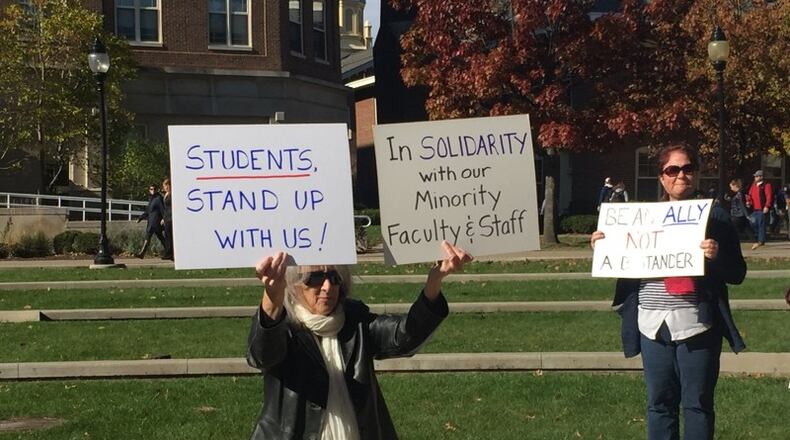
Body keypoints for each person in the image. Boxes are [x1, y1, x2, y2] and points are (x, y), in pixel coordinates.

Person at [590, 143, 746, 440]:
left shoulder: (717, 217)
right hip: (652, 326)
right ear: (661, 177)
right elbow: (625, 262)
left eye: (688, 168)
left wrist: (716, 256)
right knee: (659, 404)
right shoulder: (641, 219)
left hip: (697, 325)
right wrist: (604, 245)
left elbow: (737, 273)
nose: (681, 175)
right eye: (672, 170)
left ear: (697, 174)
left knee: (697, 405)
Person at [246, 241, 472, 439]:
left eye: (334, 277)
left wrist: (434, 282)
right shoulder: (282, 327)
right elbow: (262, 355)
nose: (327, 287)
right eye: (315, 277)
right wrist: (271, 300)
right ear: (294, 283)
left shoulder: (356, 321)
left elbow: (404, 337)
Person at [135, 184, 166, 259]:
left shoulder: (159, 198)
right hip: (151, 221)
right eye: (151, 189)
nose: (153, 190)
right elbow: (148, 211)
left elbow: (163, 209)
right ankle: (170, 251)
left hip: (156, 221)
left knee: (148, 236)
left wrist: (164, 218)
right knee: (160, 238)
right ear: (149, 190)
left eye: (154, 189)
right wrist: (140, 218)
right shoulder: (151, 199)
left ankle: (142, 253)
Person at [746, 170, 773, 250]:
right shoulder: (753, 185)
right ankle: (758, 238)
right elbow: (749, 195)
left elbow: (769, 196)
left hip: (762, 208)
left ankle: (761, 240)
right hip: (754, 208)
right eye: (755, 176)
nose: (755, 178)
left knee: (761, 224)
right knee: (752, 223)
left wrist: (767, 206)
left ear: (761, 177)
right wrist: (748, 201)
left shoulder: (766, 185)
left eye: (757, 176)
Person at [160, 178, 173, 260]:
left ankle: (170, 253)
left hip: (170, 217)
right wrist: (163, 218)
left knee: (169, 235)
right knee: (167, 235)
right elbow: (165, 208)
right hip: (166, 217)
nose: (164, 188)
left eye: (165, 186)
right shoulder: (166, 194)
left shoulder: (172, 194)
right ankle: (168, 252)